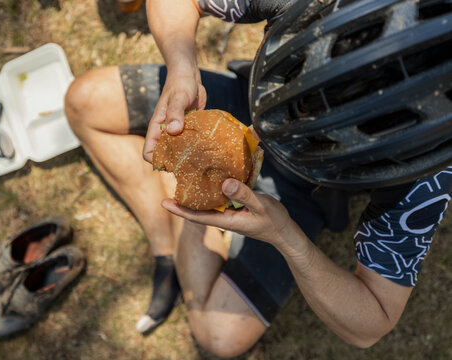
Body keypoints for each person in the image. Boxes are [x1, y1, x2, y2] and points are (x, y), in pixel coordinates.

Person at [65, 0, 452, 357]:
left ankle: (179, 209)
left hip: (306, 189)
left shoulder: (430, 167)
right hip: (242, 110)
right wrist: (182, 67)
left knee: (219, 336)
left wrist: (284, 236)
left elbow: (373, 320)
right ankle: (165, 244)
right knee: (84, 101)